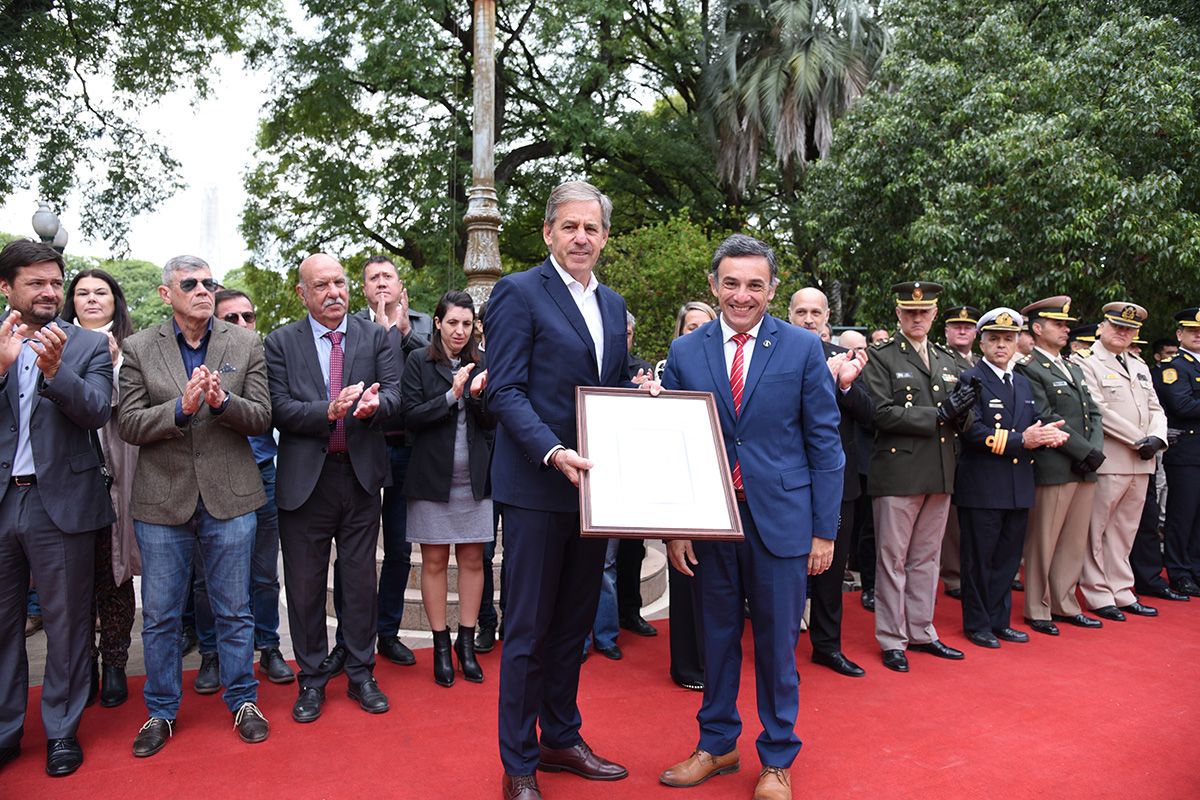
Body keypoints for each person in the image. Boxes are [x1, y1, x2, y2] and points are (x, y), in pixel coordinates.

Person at [658, 235, 842, 800]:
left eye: (755, 285)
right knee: (715, 641)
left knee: (777, 646)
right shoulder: (687, 351)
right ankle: (716, 745)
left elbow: (825, 442)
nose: (742, 295)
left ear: (771, 290)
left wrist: (823, 530)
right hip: (713, 523)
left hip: (783, 522)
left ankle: (778, 759)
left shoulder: (802, 349)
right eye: (731, 283)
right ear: (714, 285)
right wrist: (677, 527)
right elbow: (679, 445)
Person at [487, 180, 633, 800]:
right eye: (569, 227)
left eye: (592, 228)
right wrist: (551, 450)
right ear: (548, 232)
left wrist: (641, 396)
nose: (581, 237)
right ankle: (518, 762)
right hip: (537, 486)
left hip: (592, 492)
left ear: (603, 237)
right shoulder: (518, 292)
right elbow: (505, 390)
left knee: (573, 625)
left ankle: (561, 737)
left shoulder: (612, 302)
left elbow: (611, 387)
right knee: (527, 631)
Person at [118, 255, 271, 756]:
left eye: (209, 282)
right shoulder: (139, 347)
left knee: (234, 609)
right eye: (191, 283)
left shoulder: (245, 342)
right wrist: (180, 410)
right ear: (167, 295)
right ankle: (160, 711)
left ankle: (243, 700)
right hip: (163, 500)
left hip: (231, 495)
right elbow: (130, 425)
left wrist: (223, 402)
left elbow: (263, 417)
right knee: (161, 615)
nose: (204, 290)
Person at [264, 253, 401, 724]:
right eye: (321, 286)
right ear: (303, 294)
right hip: (306, 482)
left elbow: (398, 396)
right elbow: (276, 409)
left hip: (360, 476)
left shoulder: (375, 336)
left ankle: (362, 673)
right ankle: (313, 679)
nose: (334, 293)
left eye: (339, 283)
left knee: (361, 581)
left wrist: (372, 409)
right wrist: (327, 411)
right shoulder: (280, 342)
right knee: (304, 587)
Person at [0, 240, 114, 777]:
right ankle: (5, 731)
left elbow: (95, 411)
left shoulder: (86, 344)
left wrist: (53, 371)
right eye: (36, 283)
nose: (49, 293)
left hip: (60, 505)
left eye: (54, 282)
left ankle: (62, 731)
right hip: (5, 502)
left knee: (67, 625)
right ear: (7, 289)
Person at [861, 281, 977, 673]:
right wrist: (940, 414)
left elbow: (966, 413)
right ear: (898, 314)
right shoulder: (882, 356)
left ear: (934, 314)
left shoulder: (948, 359)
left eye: (924, 312)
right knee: (892, 559)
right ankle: (893, 638)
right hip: (898, 471)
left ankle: (922, 630)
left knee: (926, 558)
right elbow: (880, 412)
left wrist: (962, 413)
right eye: (909, 312)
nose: (916, 317)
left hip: (941, 469)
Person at [323, 255, 429, 677]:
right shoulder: (346, 327)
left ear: (401, 285)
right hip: (360, 447)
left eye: (388, 276)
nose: (381, 283)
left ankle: (387, 632)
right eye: (373, 278)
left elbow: (439, 365)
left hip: (406, 449)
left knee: (400, 547)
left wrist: (401, 333)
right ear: (361, 288)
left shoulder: (421, 324)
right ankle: (348, 640)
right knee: (352, 550)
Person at [953, 309, 1069, 648]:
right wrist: (1023, 440)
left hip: (1018, 484)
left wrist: (1047, 436)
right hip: (983, 484)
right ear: (982, 342)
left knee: (1006, 560)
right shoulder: (970, 379)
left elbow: (1031, 422)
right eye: (994, 339)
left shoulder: (1021, 381)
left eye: (1008, 339)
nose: (1001, 345)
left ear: (1018, 342)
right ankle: (977, 624)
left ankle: (999, 620)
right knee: (979, 560)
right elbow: (971, 431)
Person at [401, 290, 494, 686]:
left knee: (474, 561)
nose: (459, 331)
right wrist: (451, 395)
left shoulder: (483, 362)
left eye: (467, 323)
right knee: (435, 563)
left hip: (475, 479)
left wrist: (475, 398)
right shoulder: (418, 361)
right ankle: (442, 645)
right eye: (452, 322)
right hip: (432, 478)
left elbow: (494, 421)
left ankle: (467, 644)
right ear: (437, 322)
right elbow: (410, 417)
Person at [204, 289, 295, 685]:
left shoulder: (263, 358)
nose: (242, 324)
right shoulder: (200, 361)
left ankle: (269, 646)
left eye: (248, 316)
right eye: (231, 318)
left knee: (263, 572)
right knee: (208, 573)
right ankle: (211, 653)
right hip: (214, 476)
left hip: (262, 471)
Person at [63, 268, 139, 707]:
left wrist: (113, 367)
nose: (91, 300)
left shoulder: (134, 347)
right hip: (70, 471)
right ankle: (83, 665)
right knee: (74, 577)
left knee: (117, 570)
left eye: (101, 293)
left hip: (121, 465)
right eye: (83, 293)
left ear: (115, 301)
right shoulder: (54, 341)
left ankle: (115, 663)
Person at [788, 287, 871, 678]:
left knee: (832, 568)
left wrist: (845, 385)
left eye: (815, 312)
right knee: (788, 571)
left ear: (827, 317)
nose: (808, 318)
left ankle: (827, 646)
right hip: (789, 482)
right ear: (789, 314)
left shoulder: (846, 357)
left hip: (837, 483)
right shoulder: (775, 354)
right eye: (801, 311)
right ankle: (781, 651)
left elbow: (871, 414)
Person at [1014, 296, 1107, 634]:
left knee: (1072, 541)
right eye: (1058, 324)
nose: (1066, 329)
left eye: (1066, 324)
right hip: (1055, 465)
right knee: (1044, 540)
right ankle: (1037, 609)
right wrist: (1085, 452)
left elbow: (1092, 413)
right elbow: (1045, 415)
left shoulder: (1073, 366)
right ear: (1037, 329)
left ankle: (1065, 602)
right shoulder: (1028, 368)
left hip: (1083, 465)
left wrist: (1093, 451)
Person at [1072, 303, 1166, 621]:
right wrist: (1140, 440)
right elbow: (1098, 409)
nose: (1123, 333)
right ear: (1101, 327)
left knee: (1125, 530)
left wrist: (1157, 438)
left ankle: (1122, 590)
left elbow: (1155, 407)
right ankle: (1098, 593)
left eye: (1129, 329)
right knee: (1096, 529)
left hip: (1143, 460)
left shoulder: (1139, 364)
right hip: (1112, 458)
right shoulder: (1085, 362)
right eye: (1117, 326)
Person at [659, 301, 718, 691]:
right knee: (684, 574)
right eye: (689, 326)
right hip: (683, 486)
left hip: (723, 489)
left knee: (716, 583)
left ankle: (714, 660)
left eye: (704, 327)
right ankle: (686, 664)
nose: (696, 333)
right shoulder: (667, 375)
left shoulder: (728, 366)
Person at [1152, 309, 1200, 598]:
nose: (1198, 335)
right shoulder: (1174, 366)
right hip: (1186, 452)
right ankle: (1179, 572)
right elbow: (1181, 406)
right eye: (1192, 330)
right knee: (1182, 515)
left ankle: (1195, 568)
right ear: (1180, 335)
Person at [616, 310, 657, 639]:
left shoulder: (643, 367)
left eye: (628, 333)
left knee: (633, 550)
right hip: (600, 465)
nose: (624, 338)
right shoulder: (597, 363)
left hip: (634, 468)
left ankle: (631, 611)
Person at [937, 306, 980, 601]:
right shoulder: (942, 359)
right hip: (952, 443)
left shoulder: (981, 361)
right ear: (947, 332)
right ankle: (952, 575)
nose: (962, 331)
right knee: (951, 518)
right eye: (956, 326)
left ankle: (970, 571)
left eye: (968, 326)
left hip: (983, 446)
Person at [655, 301, 717, 380]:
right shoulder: (664, 367)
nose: (700, 332)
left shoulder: (728, 365)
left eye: (706, 327)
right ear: (681, 331)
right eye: (692, 328)